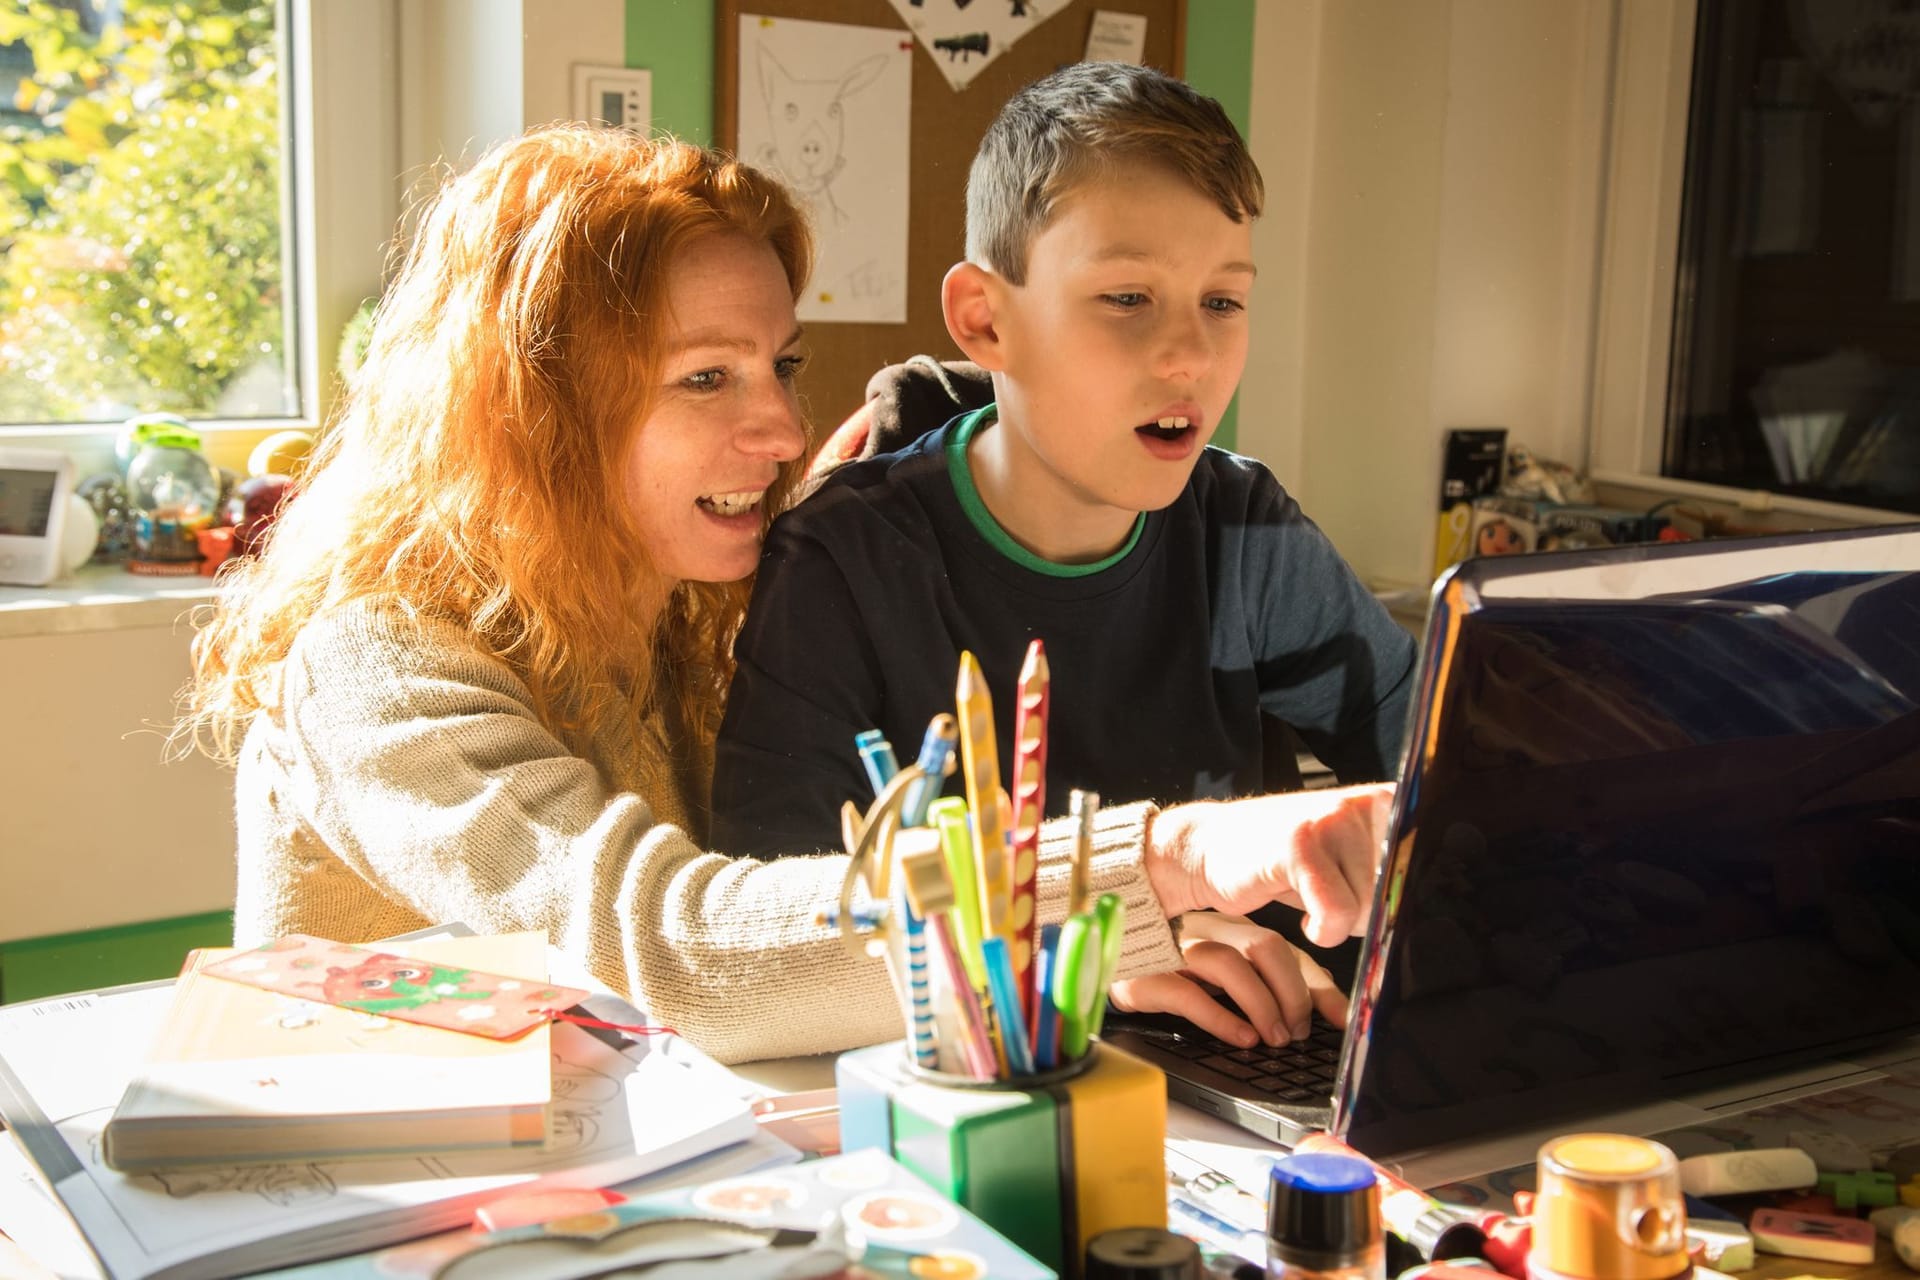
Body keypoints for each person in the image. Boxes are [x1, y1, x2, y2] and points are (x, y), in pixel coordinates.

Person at [178, 123, 1386, 1066]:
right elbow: (676, 943)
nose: (782, 424)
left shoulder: (702, 609)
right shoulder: (376, 664)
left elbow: (819, 905)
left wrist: (1078, 951)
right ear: (530, 416)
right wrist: (1163, 861)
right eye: (708, 376)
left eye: (781, 364)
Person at [713, 64, 1418, 1050]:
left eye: (1223, 302)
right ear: (985, 319)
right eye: (1128, 296)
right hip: (976, 1079)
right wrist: (1082, 956)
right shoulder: (844, 562)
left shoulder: (1243, 530)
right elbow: (772, 928)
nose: (1190, 357)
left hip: (1241, 1079)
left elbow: (1456, 786)